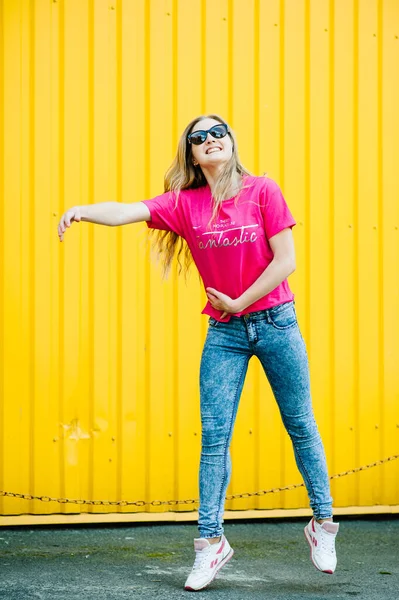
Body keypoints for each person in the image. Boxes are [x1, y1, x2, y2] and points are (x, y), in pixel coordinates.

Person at [58, 114, 339, 591]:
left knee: (301, 423)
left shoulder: (262, 190)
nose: (209, 140)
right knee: (214, 438)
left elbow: (286, 260)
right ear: (191, 154)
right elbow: (127, 210)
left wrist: (240, 302)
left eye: (217, 133)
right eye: (198, 137)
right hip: (225, 335)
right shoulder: (183, 204)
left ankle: (323, 524)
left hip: (276, 322)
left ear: (231, 142)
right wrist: (82, 209)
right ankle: (210, 544)